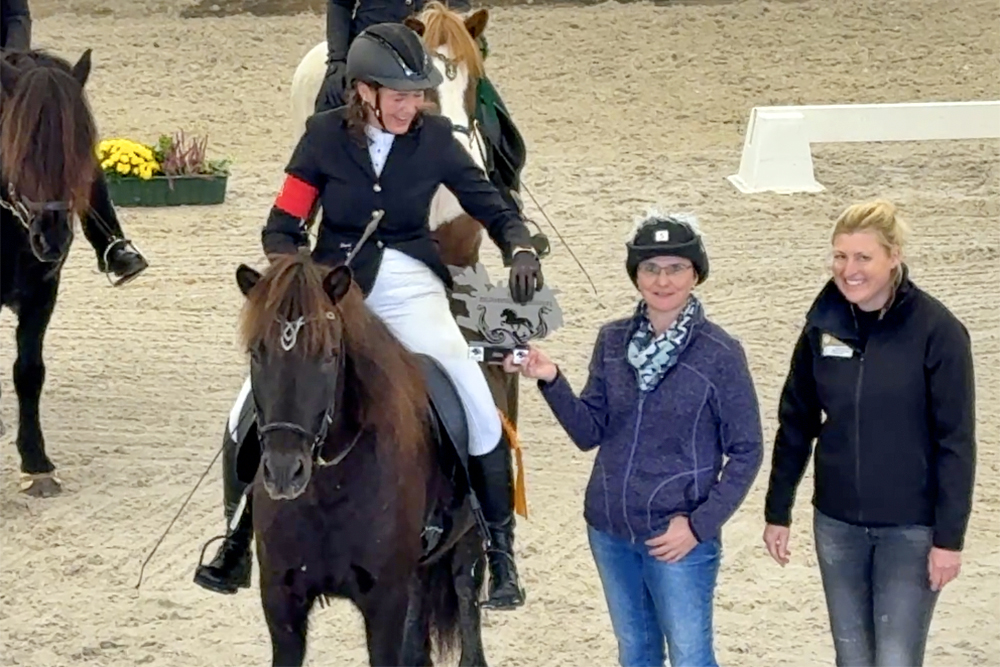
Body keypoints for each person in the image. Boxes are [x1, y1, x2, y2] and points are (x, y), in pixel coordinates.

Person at [193, 22, 542, 611]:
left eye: (419, 94)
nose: (415, 105)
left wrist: (520, 244)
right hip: (334, 291)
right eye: (401, 95)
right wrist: (297, 279)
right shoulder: (322, 139)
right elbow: (283, 225)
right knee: (246, 408)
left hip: (411, 289)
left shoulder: (433, 141)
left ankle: (500, 550)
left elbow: (489, 200)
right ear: (364, 92)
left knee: (478, 404)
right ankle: (236, 539)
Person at [504, 211, 763, 667]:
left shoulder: (721, 353)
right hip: (609, 530)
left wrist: (699, 527)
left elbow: (747, 451)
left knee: (690, 657)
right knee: (637, 653)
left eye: (676, 267)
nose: (663, 280)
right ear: (635, 274)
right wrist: (551, 378)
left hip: (676, 539)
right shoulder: (611, 340)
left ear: (695, 273)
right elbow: (588, 432)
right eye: (650, 268)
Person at [762, 199, 977, 667]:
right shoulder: (821, 326)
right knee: (853, 658)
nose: (848, 269)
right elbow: (796, 421)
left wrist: (949, 540)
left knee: (896, 659)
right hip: (837, 524)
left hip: (911, 530)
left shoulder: (938, 331)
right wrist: (778, 510)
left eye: (863, 257)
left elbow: (956, 443)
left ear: (893, 256)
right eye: (840, 256)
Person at [313, 0, 536, 230]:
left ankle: (508, 201)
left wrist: (455, 29)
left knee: (495, 117)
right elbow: (340, 3)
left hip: (436, 41)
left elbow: (459, 3)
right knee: (326, 120)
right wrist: (338, 59)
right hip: (373, 47)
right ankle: (309, 212)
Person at [1, 0, 148, 285]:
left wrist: (9, 55)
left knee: (62, 136)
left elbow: (17, 13)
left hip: (9, 69)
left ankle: (109, 243)